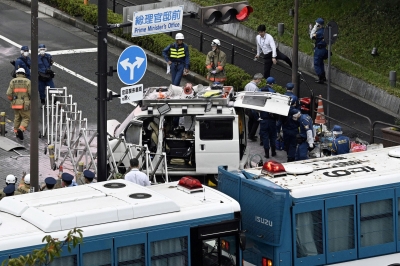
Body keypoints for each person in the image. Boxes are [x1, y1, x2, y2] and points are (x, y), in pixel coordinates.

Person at [6, 68, 31, 141]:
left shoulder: (13, 81)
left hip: (15, 103)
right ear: (24, 74)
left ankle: (16, 132)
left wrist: (12, 99)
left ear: (17, 73)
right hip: (24, 103)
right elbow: (31, 93)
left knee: (17, 117)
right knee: (26, 118)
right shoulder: (27, 81)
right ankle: (21, 129)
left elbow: (8, 93)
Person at [310, 18, 329, 84]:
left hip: (319, 50)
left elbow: (311, 37)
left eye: (316, 24)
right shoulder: (324, 31)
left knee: (317, 64)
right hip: (324, 49)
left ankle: (320, 78)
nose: (315, 24)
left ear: (318, 25)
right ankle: (323, 77)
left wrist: (314, 28)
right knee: (321, 63)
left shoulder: (319, 32)